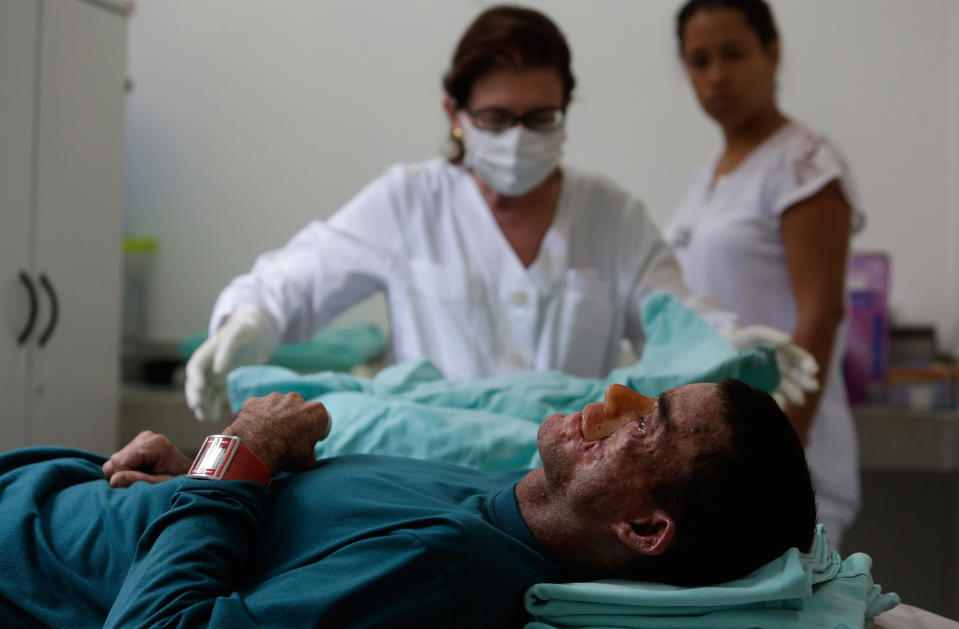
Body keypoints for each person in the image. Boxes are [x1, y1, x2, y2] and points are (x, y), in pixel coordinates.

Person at [184, 4, 816, 423]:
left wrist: (725, 343)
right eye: (494, 119)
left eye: (540, 119)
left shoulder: (611, 215)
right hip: (431, 477)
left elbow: (674, 317)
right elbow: (300, 274)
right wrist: (250, 320)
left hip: (572, 491)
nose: (518, 138)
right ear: (454, 114)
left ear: (566, 110)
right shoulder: (411, 201)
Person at [0, 380, 816, 628]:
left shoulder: (444, 570)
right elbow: (269, 534)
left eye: (648, 420)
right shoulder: (490, 498)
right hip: (51, 488)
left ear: (643, 526)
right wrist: (197, 478)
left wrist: (242, 447)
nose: (614, 393)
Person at [665, 0, 861, 547]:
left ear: (772, 53)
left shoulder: (803, 164)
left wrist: (783, 451)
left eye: (733, 53)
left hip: (784, 447)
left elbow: (822, 312)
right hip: (717, 450)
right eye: (699, 61)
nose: (716, 75)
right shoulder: (709, 178)